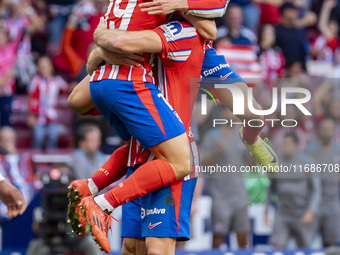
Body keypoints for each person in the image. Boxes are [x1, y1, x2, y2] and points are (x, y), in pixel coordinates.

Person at [200, 107, 249, 249]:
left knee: (243, 238)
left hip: (240, 196)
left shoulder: (242, 136)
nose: (234, 115)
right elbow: (203, 163)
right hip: (220, 197)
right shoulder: (213, 136)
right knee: (218, 238)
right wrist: (217, 151)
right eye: (230, 111)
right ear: (222, 114)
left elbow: (251, 166)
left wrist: (252, 148)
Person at [265, 132, 321, 249]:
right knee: (277, 247)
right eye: (283, 144)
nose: (284, 147)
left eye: (287, 144)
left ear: (296, 145)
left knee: (304, 247)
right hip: (282, 213)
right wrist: (266, 211)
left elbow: (316, 189)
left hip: (302, 212)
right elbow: (270, 188)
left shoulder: (307, 162)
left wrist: (311, 211)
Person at [306, 118, 340, 247]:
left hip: (333, 200)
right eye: (324, 129)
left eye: (330, 129)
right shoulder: (310, 151)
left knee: (331, 241)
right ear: (319, 131)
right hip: (314, 201)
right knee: (308, 240)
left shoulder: (338, 150)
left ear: (334, 131)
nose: (327, 132)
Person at [27, 55, 68, 149]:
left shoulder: (57, 80)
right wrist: (30, 115)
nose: (43, 67)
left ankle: (51, 157)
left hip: (52, 114)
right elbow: (30, 97)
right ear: (38, 67)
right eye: (41, 65)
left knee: (53, 136)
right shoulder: (35, 80)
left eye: (46, 65)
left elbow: (67, 88)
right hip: (38, 114)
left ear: (51, 66)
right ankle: (35, 155)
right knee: (38, 137)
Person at [275, 2, 307, 69]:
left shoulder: (298, 32)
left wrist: (302, 67)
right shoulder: (275, 31)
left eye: (295, 11)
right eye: (291, 10)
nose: (295, 13)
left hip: (297, 71)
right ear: (284, 12)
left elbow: (302, 53)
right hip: (280, 70)